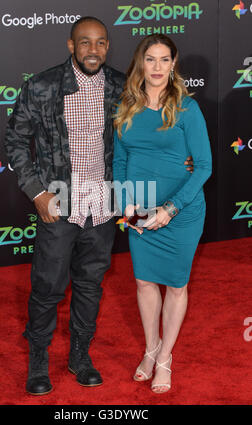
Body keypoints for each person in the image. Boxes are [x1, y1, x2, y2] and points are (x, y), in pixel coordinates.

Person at [5, 18, 193, 396]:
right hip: (59, 204)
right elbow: (15, 142)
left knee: (90, 285)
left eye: (101, 43)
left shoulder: (121, 86)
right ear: (71, 45)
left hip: (104, 206)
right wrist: (37, 193)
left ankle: (80, 355)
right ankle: (38, 359)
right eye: (85, 43)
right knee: (47, 287)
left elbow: (150, 130)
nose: (94, 50)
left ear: (108, 47)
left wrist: (181, 161)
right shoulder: (41, 86)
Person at [113, 34, 212, 393]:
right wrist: (126, 204)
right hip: (138, 209)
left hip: (181, 211)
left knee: (176, 285)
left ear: (174, 64)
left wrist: (170, 209)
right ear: (141, 63)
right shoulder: (126, 105)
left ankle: (166, 357)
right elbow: (121, 159)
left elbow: (203, 166)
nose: (157, 67)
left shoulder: (187, 108)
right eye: (150, 59)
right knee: (143, 282)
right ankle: (150, 348)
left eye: (164, 60)